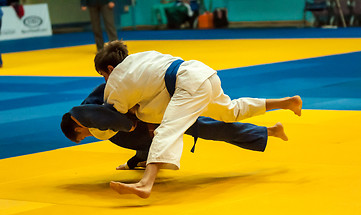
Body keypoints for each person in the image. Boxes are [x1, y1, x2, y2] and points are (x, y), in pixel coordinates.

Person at [93, 40, 303, 198]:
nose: (105, 80)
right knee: (229, 111)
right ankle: (286, 102)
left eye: (104, 75)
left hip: (187, 83)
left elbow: (113, 113)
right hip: (203, 73)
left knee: (168, 129)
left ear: (111, 69)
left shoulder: (118, 79)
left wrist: (97, 124)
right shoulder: (141, 58)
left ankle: (145, 184)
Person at [61, 83, 288, 171]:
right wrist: (133, 163)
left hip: (163, 110)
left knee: (212, 128)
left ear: (77, 127)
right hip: (157, 118)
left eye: (82, 136)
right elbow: (135, 140)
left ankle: (270, 129)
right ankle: (269, 130)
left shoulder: (91, 110)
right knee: (212, 128)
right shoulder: (101, 124)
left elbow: (134, 110)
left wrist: (148, 124)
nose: (88, 136)